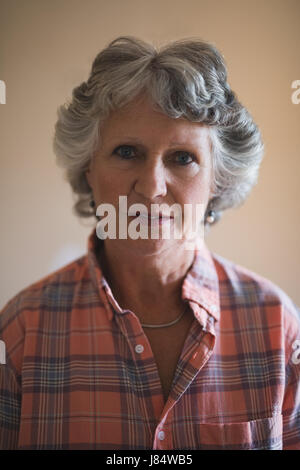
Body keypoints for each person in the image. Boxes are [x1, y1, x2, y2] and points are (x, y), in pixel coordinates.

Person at [0, 36, 299, 451]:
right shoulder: (21, 333)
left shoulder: (278, 328)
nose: (152, 187)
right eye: (127, 151)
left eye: (182, 157)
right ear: (89, 168)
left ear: (218, 179)